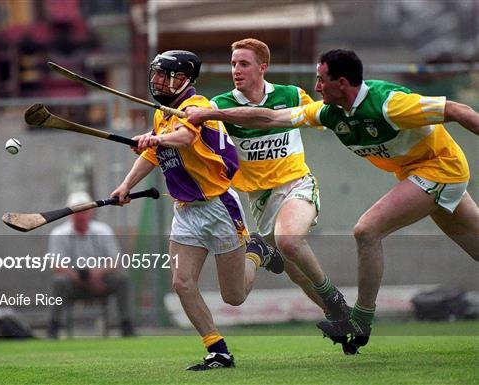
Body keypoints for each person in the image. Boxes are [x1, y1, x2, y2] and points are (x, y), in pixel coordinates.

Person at [186, 48, 479, 354]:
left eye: (321, 80)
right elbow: (270, 117)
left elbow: (459, 111)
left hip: (440, 169)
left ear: (341, 83)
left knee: (367, 231)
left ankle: (361, 321)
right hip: (422, 174)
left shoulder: (390, 104)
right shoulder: (329, 112)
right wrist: (209, 113)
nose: (315, 88)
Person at [110, 50, 284, 370]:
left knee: (234, 296)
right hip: (186, 212)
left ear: (186, 79)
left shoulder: (198, 107)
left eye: (167, 75)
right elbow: (151, 156)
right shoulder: (161, 114)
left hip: (219, 208)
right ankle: (217, 350)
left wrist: (156, 140)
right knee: (182, 282)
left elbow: (186, 137)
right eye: (157, 74)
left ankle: (257, 251)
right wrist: (125, 186)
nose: (159, 81)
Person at [209, 38, 350, 324]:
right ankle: (338, 317)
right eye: (234, 64)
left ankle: (334, 297)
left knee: (288, 240)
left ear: (263, 68)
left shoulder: (291, 95)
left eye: (244, 64)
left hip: (297, 184)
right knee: (296, 271)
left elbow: (324, 117)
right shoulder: (220, 105)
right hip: (261, 200)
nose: (236, 69)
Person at [47, 191, 136, 338]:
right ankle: (53, 327)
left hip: (101, 280)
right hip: (73, 283)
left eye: (84, 210)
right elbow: (57, 265)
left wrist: (97, 274)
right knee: (58, 281)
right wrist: (84, 280)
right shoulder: (58, 234)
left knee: (122, 279)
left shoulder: (103, 230)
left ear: (91, 211)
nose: (81, 215)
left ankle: (127, 325)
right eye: (76, 211)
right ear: (69, 213)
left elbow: (115, 260)